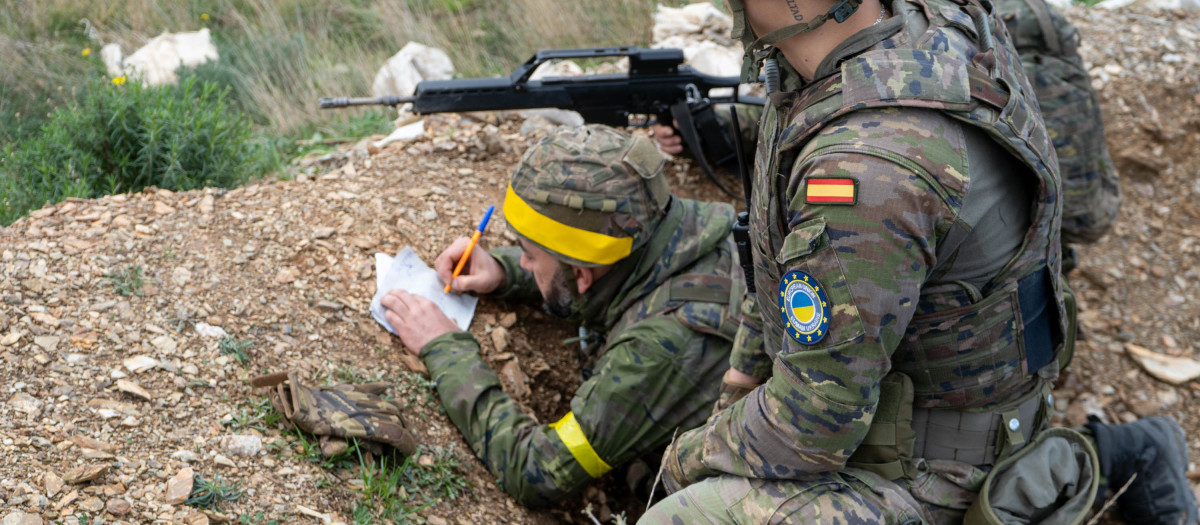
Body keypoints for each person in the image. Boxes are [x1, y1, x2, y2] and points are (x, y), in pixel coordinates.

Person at [641, 0, 1196, 523]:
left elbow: (809, 428)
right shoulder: (920, 27)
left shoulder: (865, 167)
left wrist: (684, 462)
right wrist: (737, 389)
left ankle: (1059, 478)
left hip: (939, 471)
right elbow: (779, 270)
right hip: (948, 400)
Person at [381, 124, 745, 507]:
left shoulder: (664, 345)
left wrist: (446, 349)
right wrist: (506, 272)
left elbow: (536, 470)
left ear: (582, 274)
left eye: (529, 255)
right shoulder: (682, 228)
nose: (523, 261)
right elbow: (589, 278)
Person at [654, 0, 1121, 268]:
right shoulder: (929, 16)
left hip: (948, 395)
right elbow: (861, 90)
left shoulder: (864, 167)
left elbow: (820, 409)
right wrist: (722, 131)